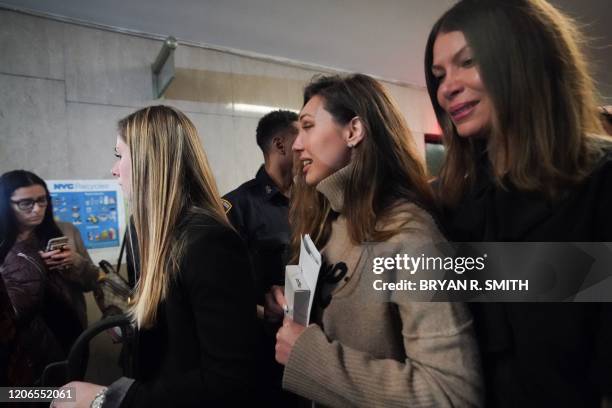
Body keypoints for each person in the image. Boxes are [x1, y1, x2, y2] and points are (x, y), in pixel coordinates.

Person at [424, 0, 612, 406]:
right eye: (439, 75)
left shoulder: (601, 182)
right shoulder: (455, 201)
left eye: (468, 61)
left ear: (525, 59)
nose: (446, 88)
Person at [272, 74, 483, 407]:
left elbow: (451, 394)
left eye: (308, 126)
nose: (297, 146)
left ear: (354, 131)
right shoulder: (328, 223)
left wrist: (310, 357)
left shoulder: (410, 236)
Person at [56, 105, 257, 407]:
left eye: (119, 155)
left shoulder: (209, 242)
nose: (114, 169)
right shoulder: (156, 230)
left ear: (150, 160)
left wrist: (105, 400)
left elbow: (227, 380)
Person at [223, 109, 299, 407]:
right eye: (300, 133)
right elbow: (220, 293)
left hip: (313, 345)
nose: (307, 143)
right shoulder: (235, 207)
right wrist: (260, 310)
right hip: (263, 357)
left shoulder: (315, 201)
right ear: (280, 146)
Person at [0, 171, 82, 384]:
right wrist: (33, 269)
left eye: (42, 200)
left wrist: (75, 262)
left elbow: (92, 281)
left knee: (68, 395)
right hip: (19, 347)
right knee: (24, 397)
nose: (37, 209)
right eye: (25, 203)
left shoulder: (66, 230)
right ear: (6, 204)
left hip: (69, 333)